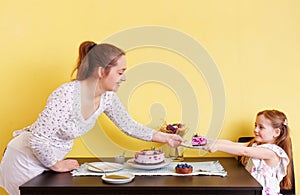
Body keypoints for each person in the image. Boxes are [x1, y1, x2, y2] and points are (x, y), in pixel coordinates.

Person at [0, 41, 184, 195]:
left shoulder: (107, 97)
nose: (124, 77)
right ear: (101, 71)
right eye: (120, 72)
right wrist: (56, 164)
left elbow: (128, 125)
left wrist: (166, 137)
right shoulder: (67, 95)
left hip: (47, 163)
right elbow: (38, 139)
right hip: (24, 160)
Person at [203, 109, 293, 195]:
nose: (255, 130)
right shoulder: (256, 145)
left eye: (261, 127)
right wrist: (210, 141)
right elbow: (234, 144)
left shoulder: (273, 152)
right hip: (251, 190)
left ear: (276, 132)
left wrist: (218, 147)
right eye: (255, 125)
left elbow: (244, 151)